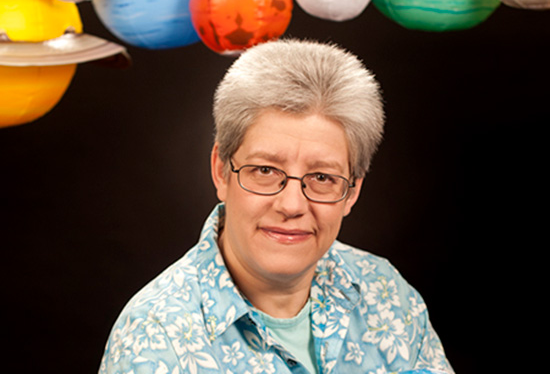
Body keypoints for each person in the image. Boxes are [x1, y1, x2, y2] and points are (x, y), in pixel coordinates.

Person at [99, 39, 454, 374]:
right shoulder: (153, 339)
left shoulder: (387, 293)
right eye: (265, 171)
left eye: (322, 177)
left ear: (352, 192)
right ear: (221, 171)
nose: (292, 205)